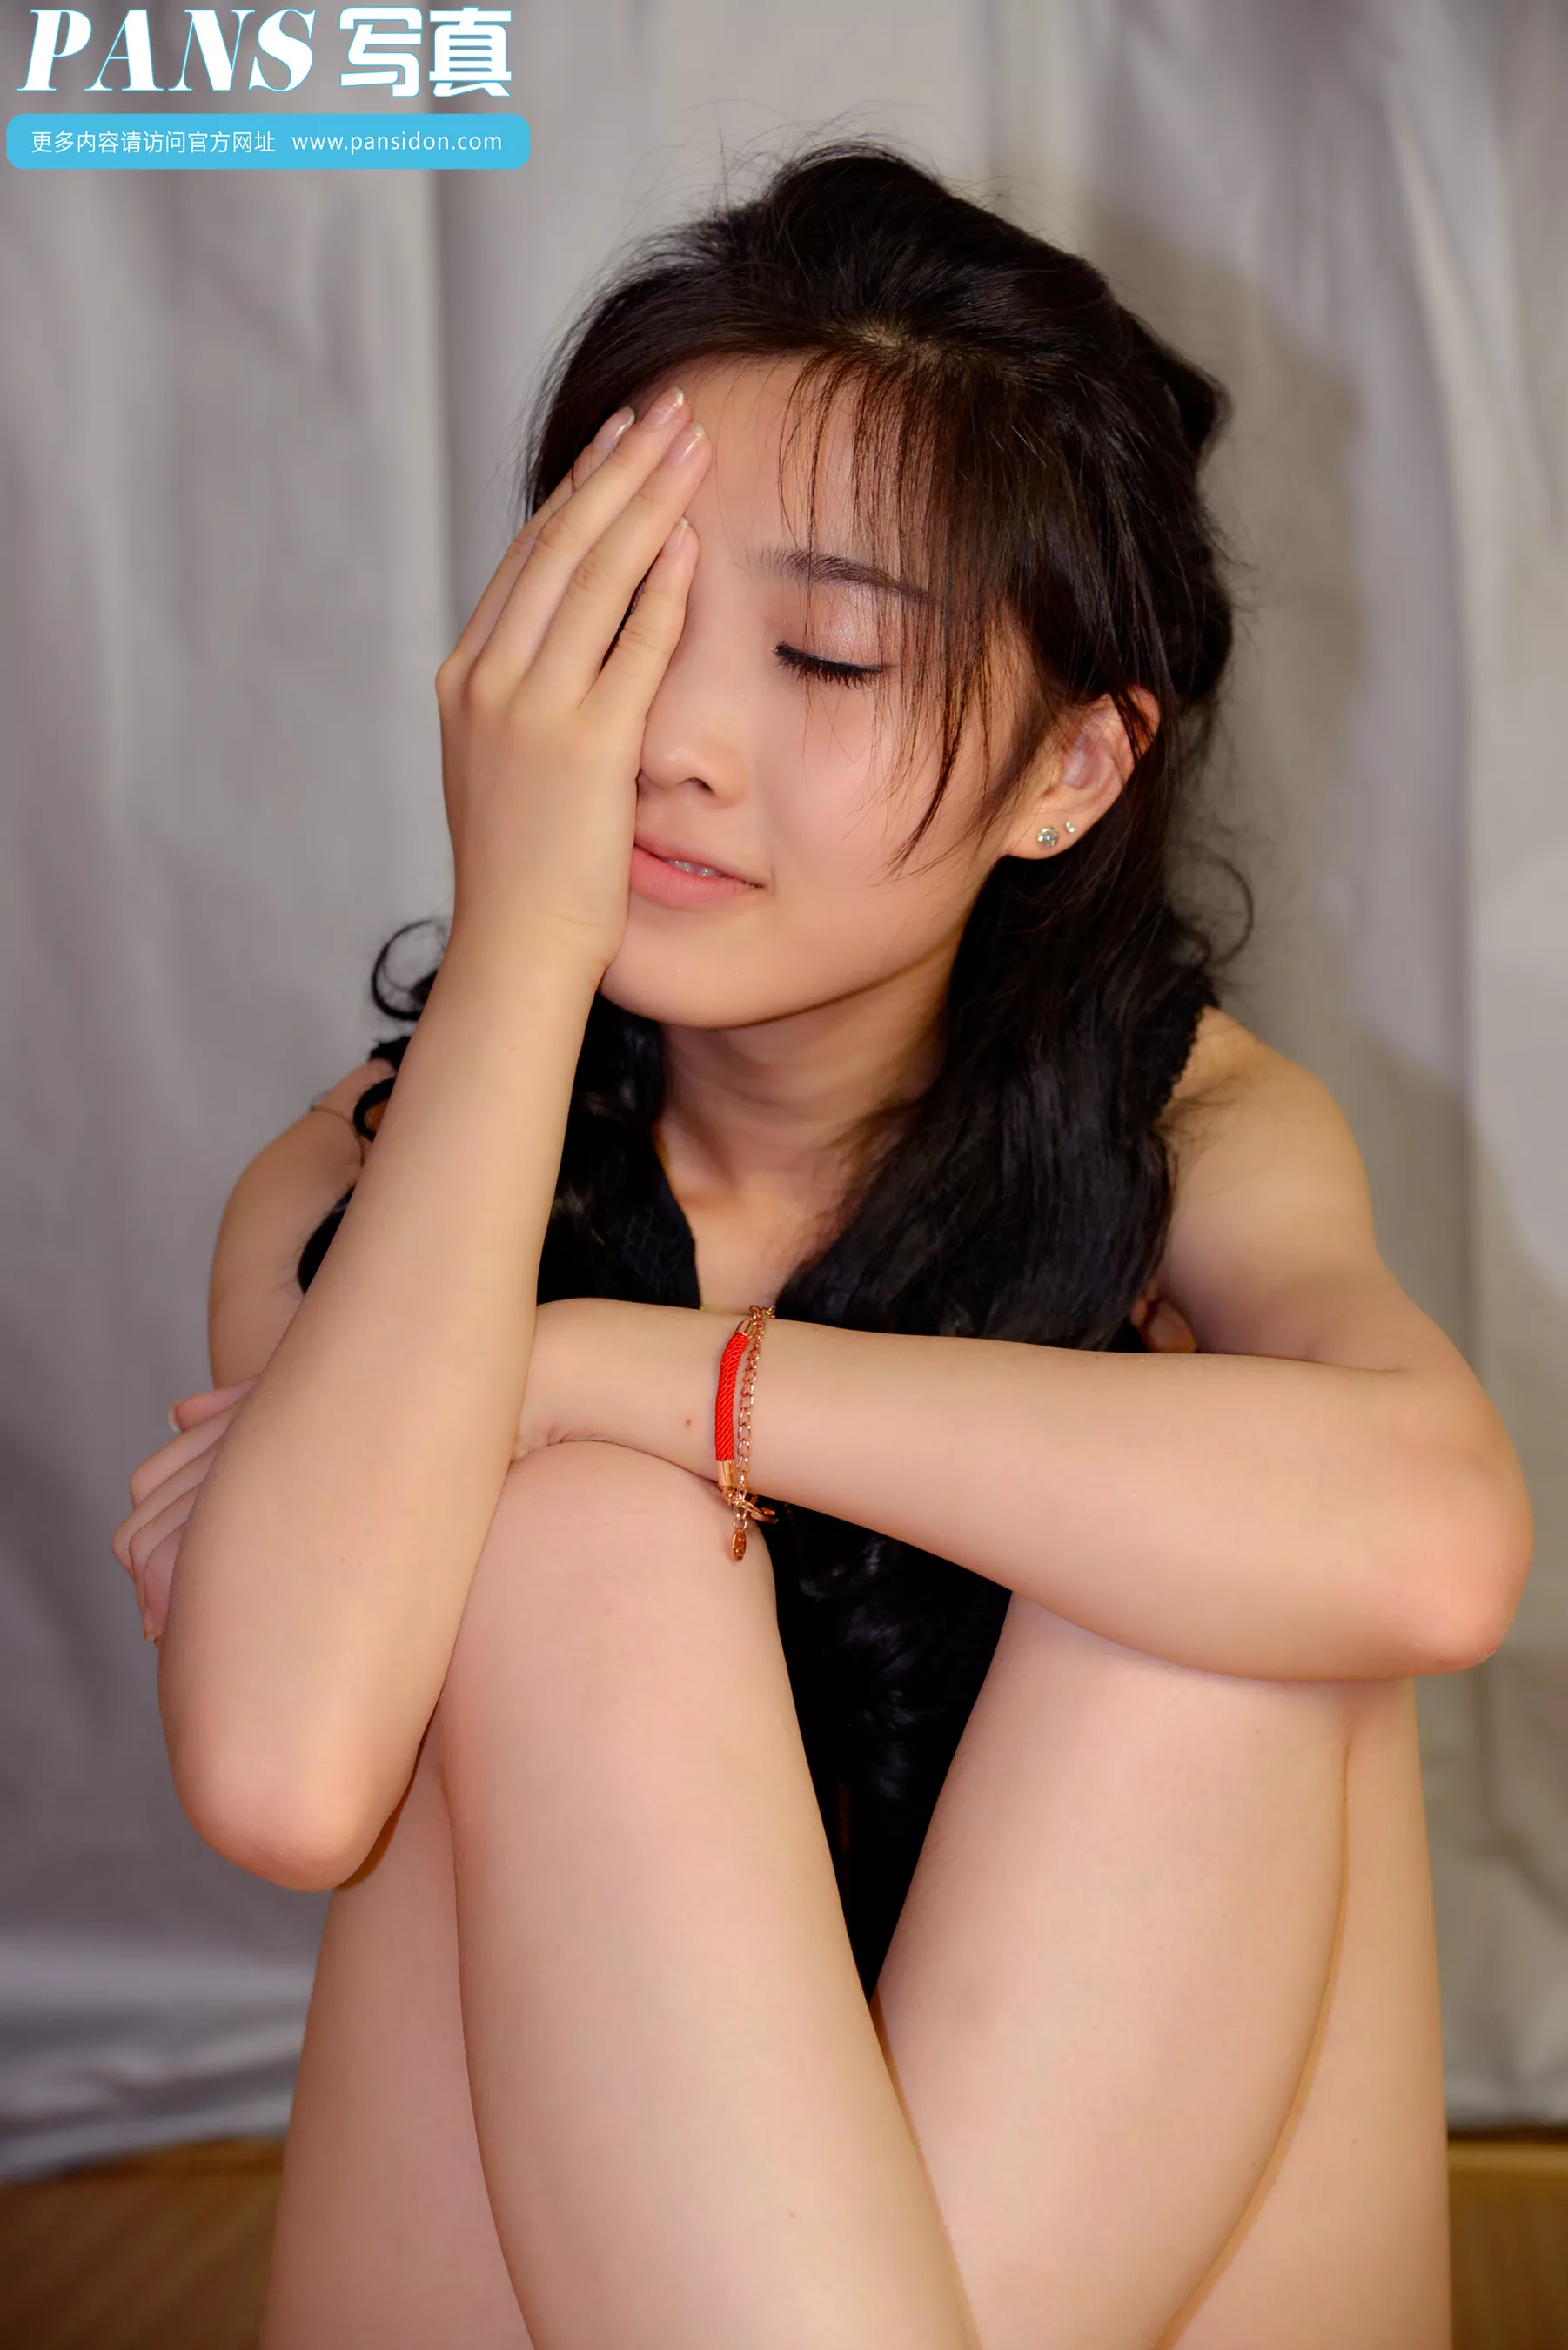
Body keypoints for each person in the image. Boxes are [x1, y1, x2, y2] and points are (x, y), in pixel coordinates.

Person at [112, 142, 1530, 2348]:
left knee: (1221, 1580)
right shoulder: (371, 1177)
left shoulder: (1185, 1130)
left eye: (824, 657)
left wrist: (592, 1373)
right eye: (624, 624)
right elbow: (288, 1775)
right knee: (572, 1543)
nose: (672, 744)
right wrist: (524, 942)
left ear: (1071, 774)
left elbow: (1434, 1546)